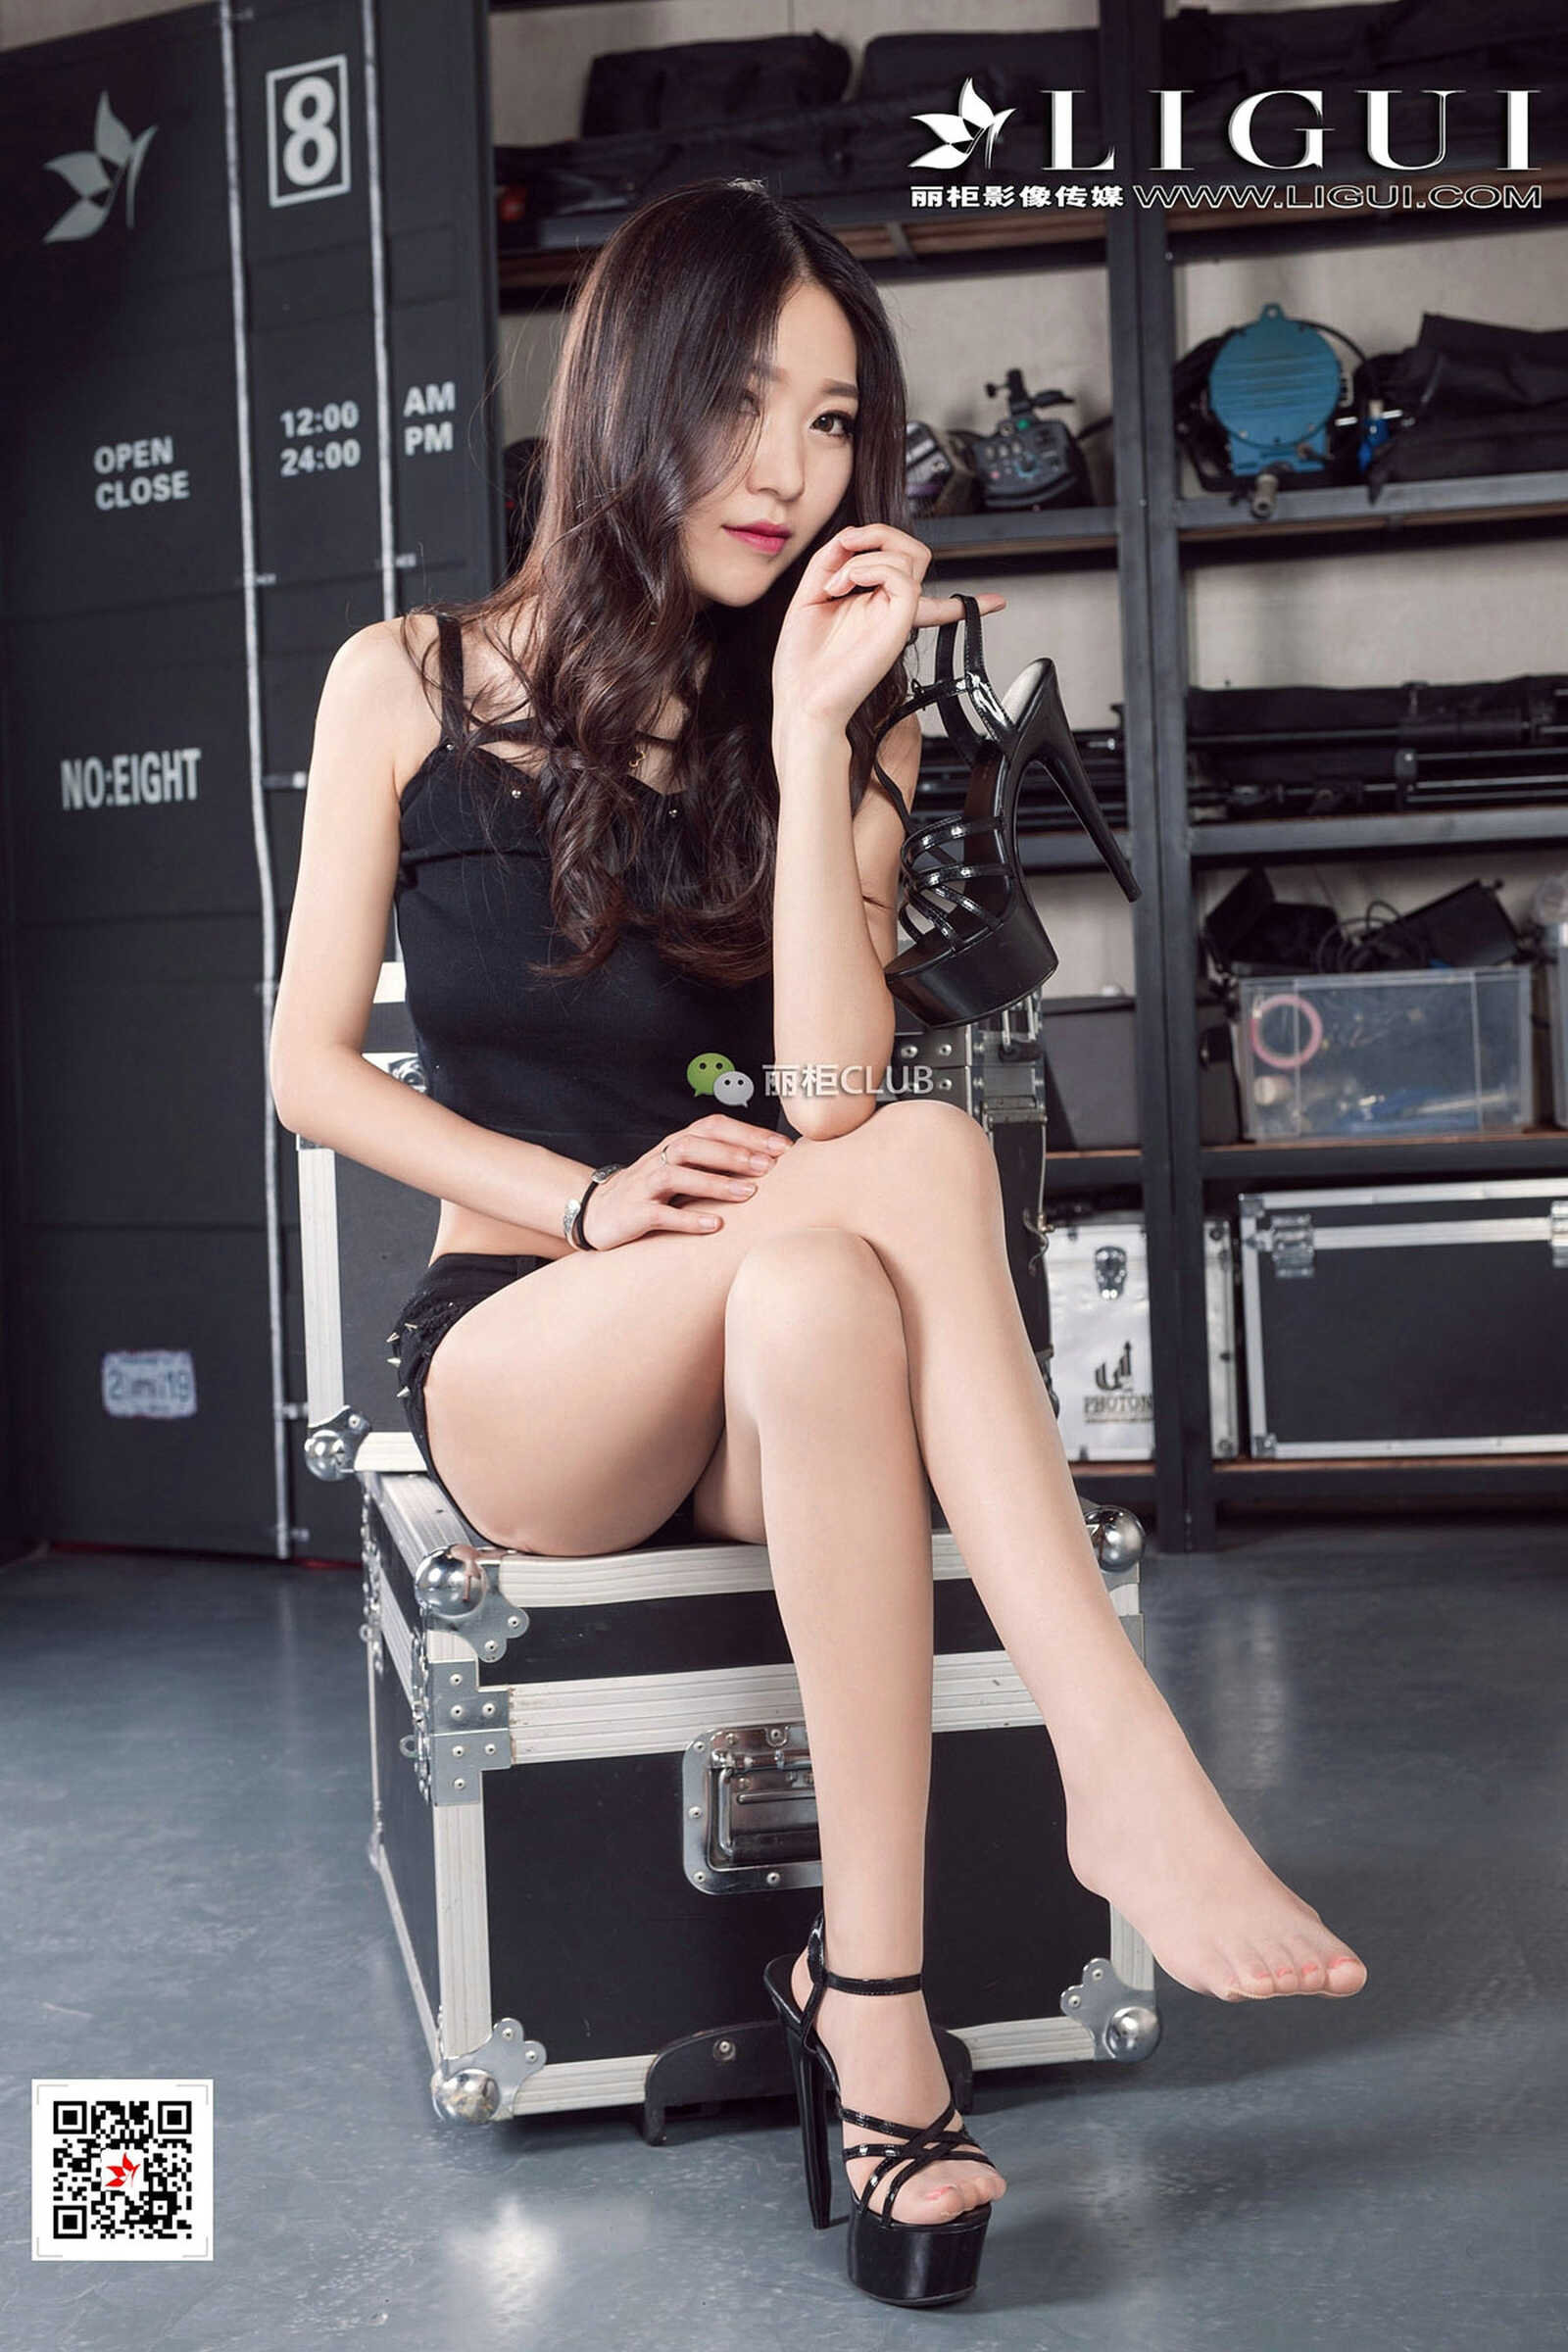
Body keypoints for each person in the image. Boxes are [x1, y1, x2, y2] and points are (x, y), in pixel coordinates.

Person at [269, 177, 1365, 2259]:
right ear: (629, 397)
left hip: (783, 1342)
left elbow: (833, 1100)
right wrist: (589, 1201)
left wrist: (803, 727)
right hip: (538, 1352)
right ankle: (1114, 1748)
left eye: (836, 419)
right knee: (903, 1182)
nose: (786, 469)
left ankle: (870, 2003)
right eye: (741, 404)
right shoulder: (404, 680)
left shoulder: (848, 714)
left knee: (863, 1223)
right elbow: (310, 1073)